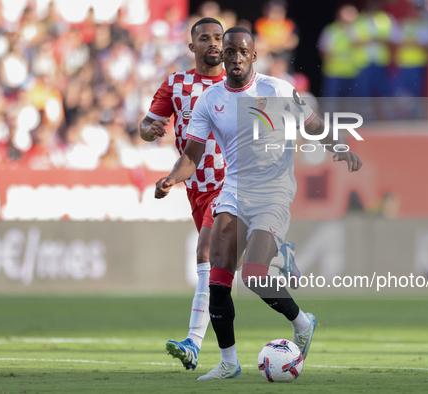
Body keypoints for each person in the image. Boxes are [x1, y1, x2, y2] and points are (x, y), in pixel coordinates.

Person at [155, 27, 362, 380]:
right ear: (223, 55)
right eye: (230, 51)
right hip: (233, 192)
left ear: (253, 56)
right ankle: (228, 362)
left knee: (252, 275)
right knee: (218, 280)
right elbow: (192, 155)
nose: (235, 57)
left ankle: (302, 322)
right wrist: (173, 178)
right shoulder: (210, 100)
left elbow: (312, 124)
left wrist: (340, 148)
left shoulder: (276, 90)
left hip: (273, 194)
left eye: (242, 52)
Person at [139, 18, 300, 372]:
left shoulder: (249, 84)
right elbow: (147, 127)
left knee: (208, 255)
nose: (213, 45)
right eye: (205, 39)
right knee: (222, 270)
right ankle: (274, 263)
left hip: (230, 182)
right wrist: (151, 131)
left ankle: (195, 343)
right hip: (195, 185)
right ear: (192, 46)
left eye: (219, 39)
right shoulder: (176, 85)